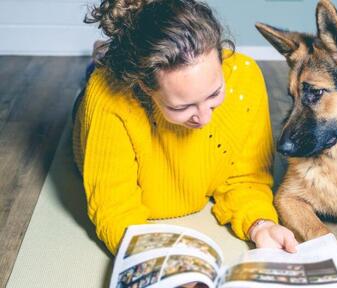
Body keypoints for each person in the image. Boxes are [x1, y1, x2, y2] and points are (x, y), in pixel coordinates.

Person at [73, 0, 298, 256]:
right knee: (97, 78)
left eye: (214, 94)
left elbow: (246, 178)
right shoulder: (107, 100)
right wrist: (156, 263)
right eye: (182, 107)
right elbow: (114, 209)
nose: (204, 119)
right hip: (98, 107)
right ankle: (100, 61)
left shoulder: (244, 77)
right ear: (146, 88)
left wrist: (260, 224)